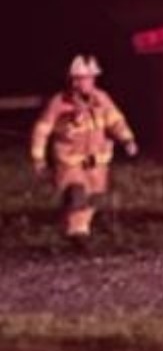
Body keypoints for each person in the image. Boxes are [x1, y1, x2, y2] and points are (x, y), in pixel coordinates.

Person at [30, 54, 138, 247]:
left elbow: (116, 121)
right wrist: (38, 158)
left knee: (92, 199)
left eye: (91, 78)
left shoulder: (101, 99)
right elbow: (41, 131)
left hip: (97, 164)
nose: (89, 82)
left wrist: (127, 139)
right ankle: (77, 234)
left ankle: (79, 231)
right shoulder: (59, 103)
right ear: (73, 80)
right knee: (76, 195)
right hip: (70, 164)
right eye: (84, 78)